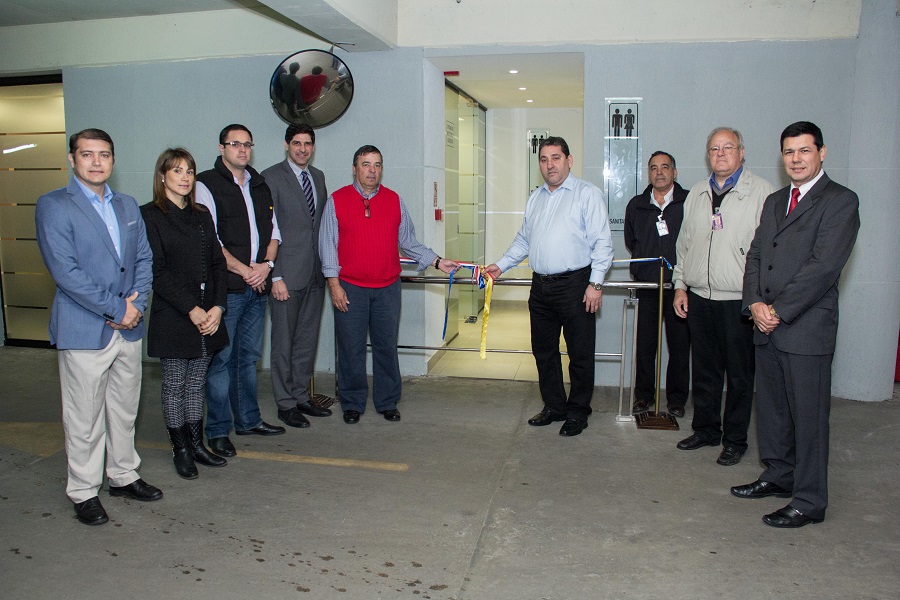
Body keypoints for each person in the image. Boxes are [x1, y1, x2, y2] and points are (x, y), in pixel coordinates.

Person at [731, 121, 860, 528]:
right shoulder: (775, 201)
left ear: (822, 153)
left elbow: (823, 268)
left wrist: (777, 311)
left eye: (804, 150)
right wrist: (754, 303)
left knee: (809, 418)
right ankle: (778, 475)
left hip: (805, 328)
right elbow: (755, 255)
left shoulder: (840, 201)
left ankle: (809, 500)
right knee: (771, 411)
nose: (796, 159)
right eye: (789, 152)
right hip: (765, 325)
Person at [35, 128, 161, 526]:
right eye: (87, 154)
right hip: (85, 327)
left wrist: (136, 306)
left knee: (123, 410)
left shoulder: (126, 205)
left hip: (128, 326)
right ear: (72, 159)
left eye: (104, 154)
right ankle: (84, 490)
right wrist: (117, 308)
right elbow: (65, 272)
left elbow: (144, 260)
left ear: (112, 160)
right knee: (84, 417)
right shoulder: (54, 205)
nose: (96, 161)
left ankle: (123, 475)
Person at [319, 145, 459, 424]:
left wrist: (437, 261)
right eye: (366, 164)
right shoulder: (336, 200)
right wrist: (334, 286)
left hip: (387, 289)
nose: (372, 171)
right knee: (351, 348)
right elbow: (327, 246)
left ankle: (387, 401)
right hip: (350, 289)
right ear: (354, 169)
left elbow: (409, 242)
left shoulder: (394, 200)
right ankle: (352, 403)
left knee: (386, 347)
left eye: (377, 165)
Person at [486, 136, 614, 437]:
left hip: (576, 286)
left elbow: (602, 243)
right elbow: (523, 240)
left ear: (569, 160)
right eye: (544, 159)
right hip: (540, 287)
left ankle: (578, 412)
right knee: (543, 351)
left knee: (580, 354)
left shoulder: (587, 194)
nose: (549, 165)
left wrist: (596, 283)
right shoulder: (536, 198)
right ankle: (554, 406)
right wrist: (501, 265)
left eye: (556, 158)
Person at [672, 127, 775, 465]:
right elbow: (684, 245)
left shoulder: (762, 193)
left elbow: (769, 253)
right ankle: (705, 430)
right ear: (707, 155)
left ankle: (734, 440)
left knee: (740, 375)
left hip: (739, 300)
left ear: (741, 152)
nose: (720, 153)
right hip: (700, 297)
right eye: (714, 148)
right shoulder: (697, 193)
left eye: (728, 147)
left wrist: (759, 297)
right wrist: (680, 285)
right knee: (704, 370)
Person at [195, 124, 285, 458]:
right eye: (235, 144)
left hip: (256, 288)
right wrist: (247, 271)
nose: (242, 149)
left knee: (248, 358)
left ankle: (248, 420)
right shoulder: (205, 185)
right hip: (227, 290)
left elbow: (274, 233)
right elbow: (211, 241)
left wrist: (266, 267)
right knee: (221, 361)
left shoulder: (260, 185)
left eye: (247, 144)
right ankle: (218, 430)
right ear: (221, 148)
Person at [141, 148, 229, 479]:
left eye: (189, 171)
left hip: (207, 314)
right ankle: (180, 450)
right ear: (162, 176)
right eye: (177, 171)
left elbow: (218, 263)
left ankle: (196, 445)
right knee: (175, 385)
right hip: (175, 314)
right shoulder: (150, 216)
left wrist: (218, 307)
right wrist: (191, 309)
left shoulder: (201, 214)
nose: (185, 177)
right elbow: (157, 271)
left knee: (195, 384)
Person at [262, 123, 330, 428]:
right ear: (286, 145)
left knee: (306, 340)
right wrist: (274, 275)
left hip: (315, 273)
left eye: (308, 144)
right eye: (297, 143)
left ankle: (302, 396)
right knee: (283, 342)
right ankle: (285, 403)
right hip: (285, 275)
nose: (303, 149)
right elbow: (267, 228)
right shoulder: (271, 177)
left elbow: (320, 226)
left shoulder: (318, 177)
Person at [623, 151, 690, 417]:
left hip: (679, 287)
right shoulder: (637, 205)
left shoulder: (688, 201)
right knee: (645, 346)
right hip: (648, 285)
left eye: (665, 167)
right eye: (653, 168)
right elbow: (631, 240)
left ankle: (676, 399)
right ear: (648, 173)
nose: (659, 172)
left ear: (675, 172)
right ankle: (643, 396)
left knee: (679, 346)